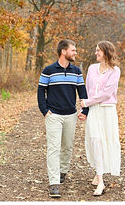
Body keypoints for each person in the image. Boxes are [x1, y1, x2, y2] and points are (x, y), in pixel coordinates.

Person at [37, 39, 89, 198]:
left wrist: (85, 110)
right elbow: (40, 91)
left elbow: (82, 91)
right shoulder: (48, 70)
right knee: (53, 148)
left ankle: (62, 171)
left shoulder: (76, 71)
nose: (75, 53)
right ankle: (54, 183)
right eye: (73, 50)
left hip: (71, 115)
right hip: (53, 115)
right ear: (63, 51)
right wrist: (44, 111)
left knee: (67, 146)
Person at [80, 41, 122, 196]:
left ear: (106, 52)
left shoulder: (115, 70)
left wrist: (87, 102)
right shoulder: (92, 68)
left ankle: (100, 172)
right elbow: (87, 90)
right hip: (94, 110)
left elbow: (106, 93)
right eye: (96, 50)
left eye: (98, 50)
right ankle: (100, 180)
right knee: (95, 141)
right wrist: (84, 110)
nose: (95, 53)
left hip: (107, 110)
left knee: (107, 141)